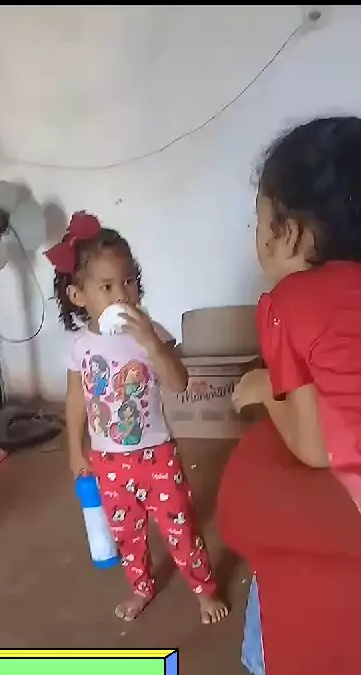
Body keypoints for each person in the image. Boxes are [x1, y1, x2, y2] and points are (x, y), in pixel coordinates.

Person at [218, 117, 361, 675]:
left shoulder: (285, 303)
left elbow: (309, 443)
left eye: (259, 222)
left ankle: (281, 672)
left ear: (292, 235)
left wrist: (259, 391)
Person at [46, 211, 228, 624]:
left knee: (180, 526)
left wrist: (151, 342)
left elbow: (178, 382)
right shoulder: (80, 348)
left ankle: (204, 590)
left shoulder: (153, 333)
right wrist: (75, 451)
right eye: (107, 286)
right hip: (107, 462)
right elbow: (76, 400)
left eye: (128, 281)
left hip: (156, 455)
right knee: (126, 534)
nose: (122, 295)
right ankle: (141, 587)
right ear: (78, 295)